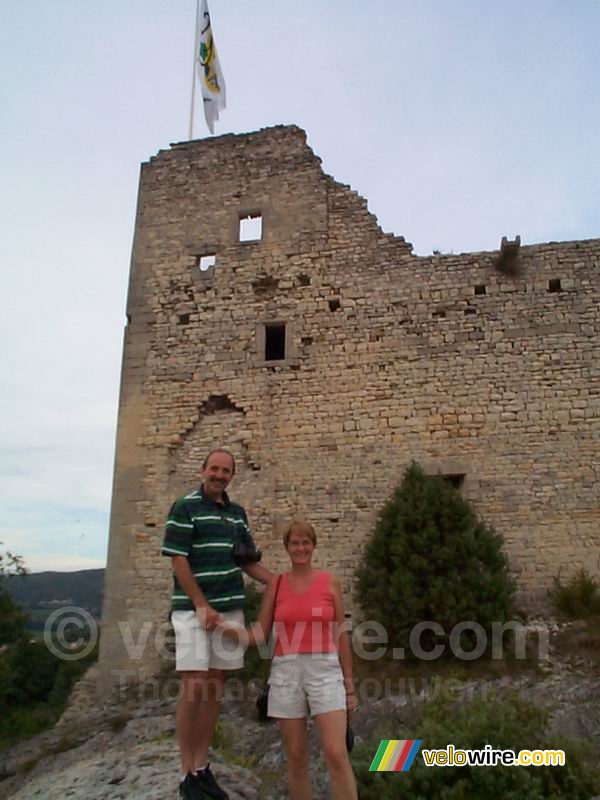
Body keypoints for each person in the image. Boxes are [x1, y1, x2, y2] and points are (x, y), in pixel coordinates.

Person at [161, 448, 273, 800]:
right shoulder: (185, 507)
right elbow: (178, 559)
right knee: (194, 686)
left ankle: (201, 767)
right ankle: (185, 776)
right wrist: (200, 604)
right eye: (215, 469)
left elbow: (246, 561)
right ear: (203, 469)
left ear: (231, 476)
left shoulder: (237, 514)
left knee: (213, 690)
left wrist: (281, 583)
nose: (219, 475)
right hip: (194, 611)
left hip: (230, 610)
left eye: (226, 471)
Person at [234, 518, 358, 800]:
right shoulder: (276, 585)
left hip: (325, 668)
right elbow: (260, 632)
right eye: (294, 543)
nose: (300, 548)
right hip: (286, 671)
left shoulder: (330, 583)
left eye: (305, 543)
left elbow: (342, 636)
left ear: (313, 546)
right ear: (287, 548)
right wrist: (222, 628)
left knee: (337, 754)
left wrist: (349, 687)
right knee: (296, 757)